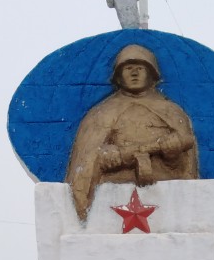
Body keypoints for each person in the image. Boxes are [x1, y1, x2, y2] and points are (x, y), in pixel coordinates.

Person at [65, 43, 199, 220]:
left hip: (164, 196)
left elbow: (188, 166)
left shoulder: (171, 111)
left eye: (140, 68)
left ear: (152, 75)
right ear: (118, 77)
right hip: (111, 195)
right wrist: (104, 154)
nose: (134, 73)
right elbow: (85, 158)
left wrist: (172, 155)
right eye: (128, 68)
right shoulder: (102, 113)